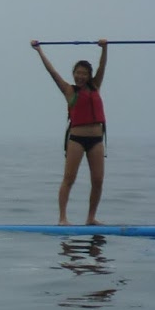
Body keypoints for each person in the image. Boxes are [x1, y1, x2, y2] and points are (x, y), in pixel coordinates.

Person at [32, 39, 108, 225]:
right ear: (73, 74)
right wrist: (39, 51)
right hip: (76, 139)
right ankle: (62, 218)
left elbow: (102, 65)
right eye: (77, 73)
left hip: (97, 140)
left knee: (97, 180)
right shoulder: (68, 90)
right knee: (69, 179)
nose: (80, 76)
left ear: (89, 76)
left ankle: (91, 218)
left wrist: (105, 48)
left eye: (84, 73)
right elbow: (52, 71)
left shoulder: (95, 86)